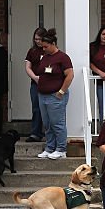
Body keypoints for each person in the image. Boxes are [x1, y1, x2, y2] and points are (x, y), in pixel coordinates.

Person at [35, 29, 73, 160]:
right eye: (43, 47)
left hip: (55, 95)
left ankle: (61, 149)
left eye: (46, 46)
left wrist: (61, 91)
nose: (44, 49)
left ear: (53, 44)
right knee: (47, 123)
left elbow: (70, 75)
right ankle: (50, 147)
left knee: (57, 123)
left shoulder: (63, 57)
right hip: (43, 95)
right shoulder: (45, 57)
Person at [23, 27, 47, 142]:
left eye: (40, 39)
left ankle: (49, 133)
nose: (37, 41)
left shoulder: (49, 50)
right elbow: (28, 67)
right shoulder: (32, 51)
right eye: (36, 39)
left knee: (48, 109)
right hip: (35, 83)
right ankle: (35, 133)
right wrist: (35, 77)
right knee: (36, 108)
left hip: (49, 84)